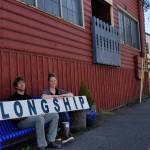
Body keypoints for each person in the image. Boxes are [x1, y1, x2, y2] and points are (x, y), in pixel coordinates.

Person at [8, 77, 62, 150]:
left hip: (34, 118)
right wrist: (22, 117)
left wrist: (41, 112)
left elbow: (35, 110)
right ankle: (42, 145)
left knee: (54, 115)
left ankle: (51, 141)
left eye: (23, 83)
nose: (22, 84)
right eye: (20, 83)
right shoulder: (12, 98)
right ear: (16, 86)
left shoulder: (28, 97)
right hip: (22, 122)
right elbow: (11, 116)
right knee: (39, 118)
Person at [42, 73, 75, 144]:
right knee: (60, 114)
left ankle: (66, 135)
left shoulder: (59, 90)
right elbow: (43, 97)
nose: (53, 82)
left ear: (56, 81)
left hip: (59, 112)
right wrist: (56, 96)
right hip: (50, 113)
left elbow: (71, 95)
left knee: (64, 113)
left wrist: (62, 95)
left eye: (55, 80)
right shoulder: (47, 91)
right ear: (49, 82)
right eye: (51, 81)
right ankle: (62, 134)